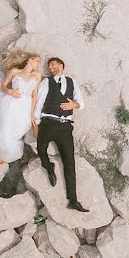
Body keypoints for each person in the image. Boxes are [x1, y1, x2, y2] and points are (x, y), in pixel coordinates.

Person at [32, 57, 89, 212]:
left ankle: (73, 200)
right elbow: (40, 101)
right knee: (41, 149)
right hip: (48, 122)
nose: (52, 68)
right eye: (50, 66)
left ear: (62, 66)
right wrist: (36, 123)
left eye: (54, 65)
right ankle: (49, 167)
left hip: (65, 126)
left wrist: (74, 105)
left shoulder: (72, 82)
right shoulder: (46, 82)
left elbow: (81, 102)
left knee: (69, 162)